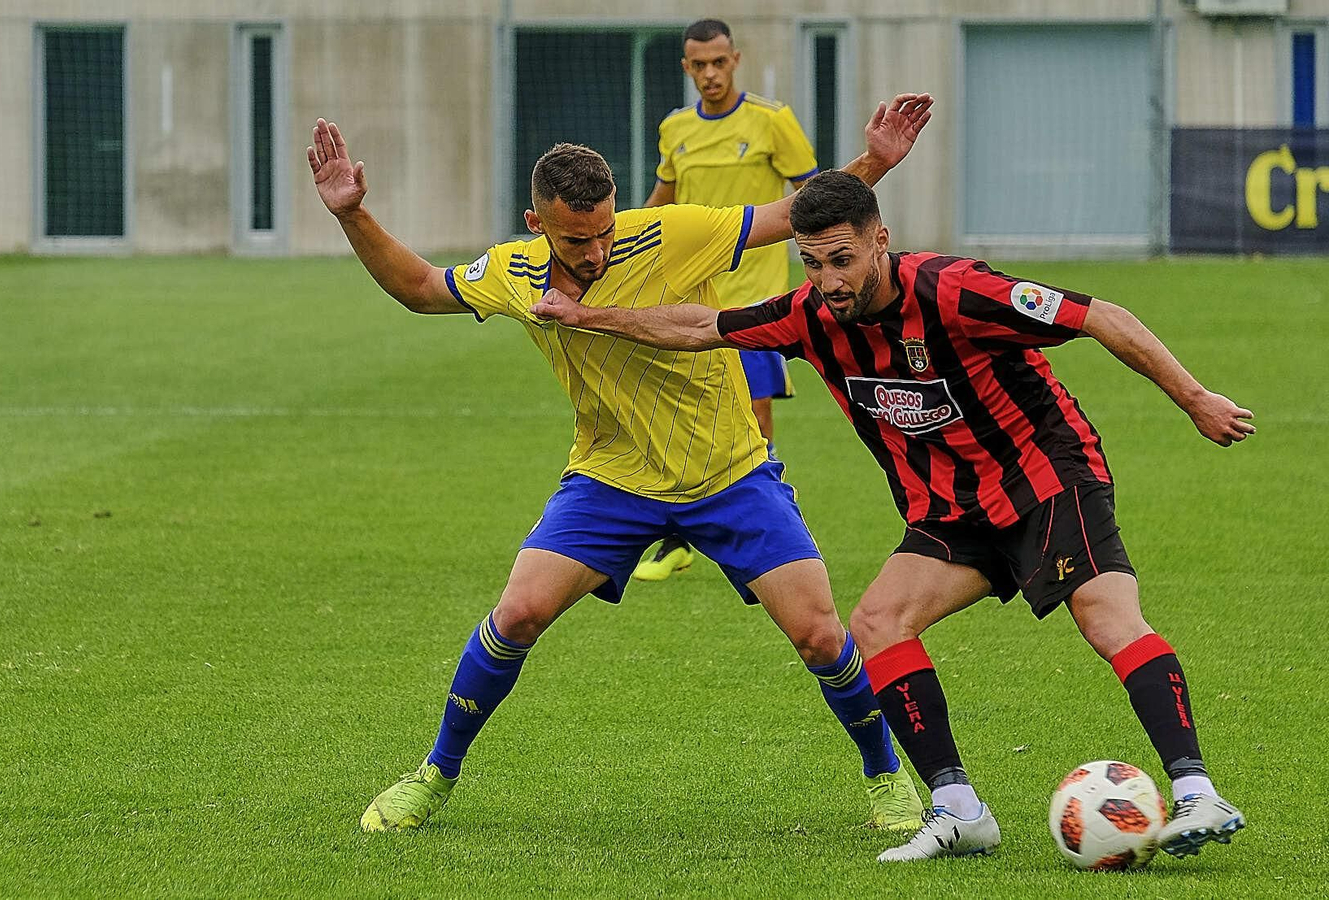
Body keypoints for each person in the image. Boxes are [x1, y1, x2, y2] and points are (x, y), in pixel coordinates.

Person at [529, 170, 1252, 862]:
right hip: (948, 509)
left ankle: (1197, 793)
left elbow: (1102, 316)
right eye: (812, 264)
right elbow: (700, 326)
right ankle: (961, 812)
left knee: (1104, 615)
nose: (829, 280)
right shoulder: (812, 317)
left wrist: (1197, 400)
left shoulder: (956, 291)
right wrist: (587, 315)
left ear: (882, 239)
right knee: (876, 624)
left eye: (842, 259)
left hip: (1046, 478)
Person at [306, 96, 934, 833]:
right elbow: (420, 288)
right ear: (538, 224)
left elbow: (789, 213)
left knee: (823, 636)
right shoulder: (514, 270)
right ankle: (434, 774)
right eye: (578, 239)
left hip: (730, 472)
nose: (598, 249)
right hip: (611, 480)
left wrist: (875, 165)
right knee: (516, 614)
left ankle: (886, 776)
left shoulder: (673, 232)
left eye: (606, 229)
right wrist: (352, 214)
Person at [634, 17, 820, 584]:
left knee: (753, 428)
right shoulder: (675, 129)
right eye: (699, 65)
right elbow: (661, 202)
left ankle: (767, 541)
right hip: (691, 305)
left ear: (735, 60)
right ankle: (675, 538)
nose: (710, 74)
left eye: (719, 62)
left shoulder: (772, 121)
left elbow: (810, 196)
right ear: (686, 67)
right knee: (677, 422)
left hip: (756, 301)